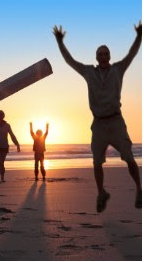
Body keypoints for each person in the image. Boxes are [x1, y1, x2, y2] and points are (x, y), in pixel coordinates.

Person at [53, 22, 142, 213]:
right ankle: (101, 192)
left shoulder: (119, 69)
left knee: (129, 158)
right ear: (96, 57)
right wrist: (60, 42)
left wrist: (139, 36)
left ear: (109, 56)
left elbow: (132, 53)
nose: (102, 56)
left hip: (116, 121)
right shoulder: (88, 71)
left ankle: (139, 189)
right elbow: (69, 60)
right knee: (96, 162)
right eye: (100, 54)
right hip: (99, 123)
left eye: (105, 53)